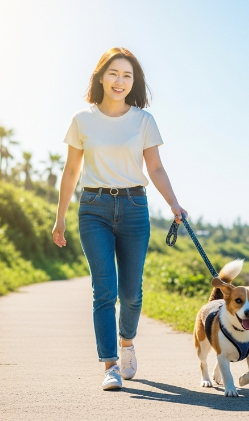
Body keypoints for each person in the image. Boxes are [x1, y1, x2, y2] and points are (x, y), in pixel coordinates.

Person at [52, 47, 187, 390]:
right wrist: (60, 218)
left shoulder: (143, 121)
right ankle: (110, 365)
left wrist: (174, 204)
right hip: (93, 207)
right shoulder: (82, 120)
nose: (120, 81)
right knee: (104, 290)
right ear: (100, 76)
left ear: (133, 82)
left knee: (131, 293)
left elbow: (154, 167)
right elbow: (71, 171)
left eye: (127, 75)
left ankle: (127, 343)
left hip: (134, 208)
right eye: (114, 73)